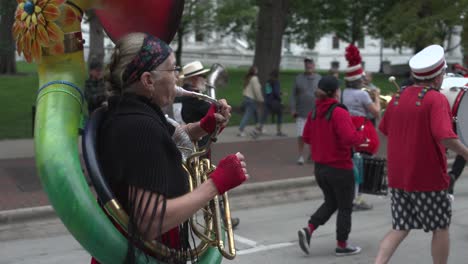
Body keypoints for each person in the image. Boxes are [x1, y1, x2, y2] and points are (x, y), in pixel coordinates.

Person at [93, 33, 249, 264]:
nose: (178, 77)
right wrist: (215, 184)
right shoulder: (138, 126)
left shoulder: (131, 112)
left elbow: (164, 141)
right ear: (148, 80)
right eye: (172, 70)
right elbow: (150, 221)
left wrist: (202, 127)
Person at [375, 44, 468, 264]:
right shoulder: (436, 99)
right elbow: (445, 136)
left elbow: (385, 129)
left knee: (400, 226)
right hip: (427, 178)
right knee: (440, 226)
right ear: (437, 78)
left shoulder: (398, 97)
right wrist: (466, 153)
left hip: (398, 177)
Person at [297, 76, 367, 256]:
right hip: (340, 168)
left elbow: (306, 138)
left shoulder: (314, 112)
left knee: (331, 202)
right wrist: (360, 137)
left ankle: (309, 229)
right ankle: (342, 244)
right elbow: (349, 138)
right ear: (336, 92)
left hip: (320, 169)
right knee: (345, 206)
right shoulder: (339, 111)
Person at [174, 60, 241, 228]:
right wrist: (218, 108)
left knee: (205, 183)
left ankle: (218, 218)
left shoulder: (184, 97)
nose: (205, 79)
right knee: (209, 183)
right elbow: (212, 113)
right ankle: (219, 219)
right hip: (196, 147)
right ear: (194, 79)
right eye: (203, 76)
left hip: (191, 145)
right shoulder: (194, 99)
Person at [341, 45, 381, 211]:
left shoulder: (344, 92)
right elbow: (376, 112)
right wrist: (377, 96)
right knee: (361, 164)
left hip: (347, 126)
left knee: (352, 163)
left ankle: (351, 196)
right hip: (361, 129)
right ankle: (357, 198)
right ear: (358, 79)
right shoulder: (363, 94)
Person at [290, 57, 321, 165]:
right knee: (301, 135)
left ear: (314, 65)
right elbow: (293, 95)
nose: (308, 66)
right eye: (307, 65)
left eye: (310, 64)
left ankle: (312, 154)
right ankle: (300, 155)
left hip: (315, 112)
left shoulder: (319, 78)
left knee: (314, 135)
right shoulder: (298, 78)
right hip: (301, 112)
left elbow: (323, 95)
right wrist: (293, 109)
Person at [254, 69, 286, 137]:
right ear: (277, 76)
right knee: (280, 115)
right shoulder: (276, 82)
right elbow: (276, 93)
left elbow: (268, 92)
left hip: (268, 101)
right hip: (275, 102)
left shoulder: (268, 82)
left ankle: (258, 129)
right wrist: (280, 99)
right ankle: (279, 131)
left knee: (264, 116)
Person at [238, 66, 264, 137]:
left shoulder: (248, 78)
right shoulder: (254, 78)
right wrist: (260, 99)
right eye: (256, 69)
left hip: (247, 98)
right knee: (248, 114)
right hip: (251, 99)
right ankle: (241, 130)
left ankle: (258, 128)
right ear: (254, 71)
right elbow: (257, 90)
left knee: (256, 114)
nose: (257, 70)